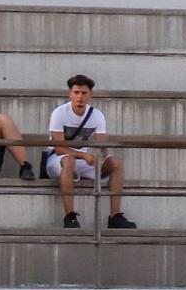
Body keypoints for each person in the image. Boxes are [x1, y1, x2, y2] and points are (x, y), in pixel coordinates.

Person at [46, 75, 136, 230]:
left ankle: (115, 216)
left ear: (90, 95)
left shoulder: (97, 115)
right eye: (76, 92)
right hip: (58, 159)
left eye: (83, 93)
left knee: (116, 163)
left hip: (83, 160)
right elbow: (59, 148)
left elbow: (102, 145)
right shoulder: (59, 113)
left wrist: (101, 157)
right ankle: (70, 216)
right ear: (70, 94)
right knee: (69, 160)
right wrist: (83, 155)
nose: (79, 97)